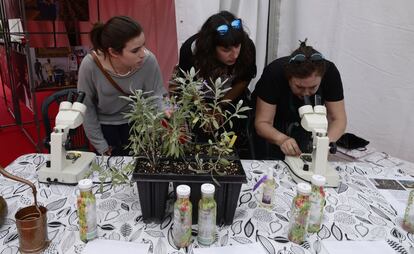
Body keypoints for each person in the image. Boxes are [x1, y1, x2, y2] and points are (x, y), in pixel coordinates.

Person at [77, 16, 166, 156]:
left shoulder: (148, 60)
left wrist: (164, 112)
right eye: (135, 50)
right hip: (105, 128)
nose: (143, 53)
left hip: (138, 123)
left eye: (144, 45)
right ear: (113, 52)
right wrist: (100, 144)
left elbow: (155, 95)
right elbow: (86, 108)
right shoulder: (90, 65)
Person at [177, 11, 256, 154]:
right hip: (197, 98)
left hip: (230, 97)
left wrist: (219, 107)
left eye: (237, 46)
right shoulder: (190, 50)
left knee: (231, 142)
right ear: (210, 47)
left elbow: (244, 80)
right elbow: (187, 85)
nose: (235, 54)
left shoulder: (248, 47)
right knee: (198, 140)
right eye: (226, 49)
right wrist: (204, 110)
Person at [254, 39, 347, 160]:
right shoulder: (274, 73)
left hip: (304, 129)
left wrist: (325, 143)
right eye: (299, 87)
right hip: (275, 128)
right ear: (288, 78)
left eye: (313, 87)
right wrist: (282, 139)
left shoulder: (330, 73)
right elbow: (262, 123)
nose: (306, 93)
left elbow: (338, 119)